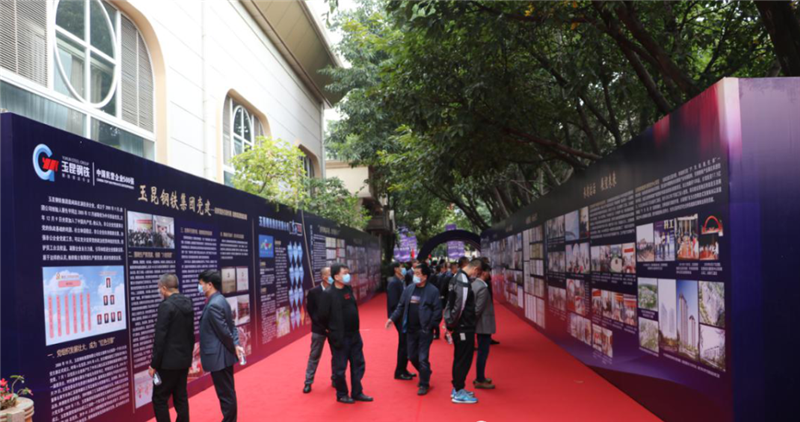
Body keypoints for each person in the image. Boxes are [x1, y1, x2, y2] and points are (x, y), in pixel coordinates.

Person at [385, 264, 442, 395]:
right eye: (414, 273)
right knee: (411, 356)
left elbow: (437, 311)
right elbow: (400, 306)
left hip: (424, 330)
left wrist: (431, 326)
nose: (414, 276)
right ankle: (425, 372)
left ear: (425, 276)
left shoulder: (433, 291)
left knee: (422, 358)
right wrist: (392, 319)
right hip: (410, 330)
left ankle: (424, 383)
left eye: (417, 274)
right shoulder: (409, 288)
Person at [198, 270, 244, 422]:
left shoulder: (213, 305)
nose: (200, 287)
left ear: (210, 285)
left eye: (201, 284)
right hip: (223, 355)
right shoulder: (220, 300)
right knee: (227, 392)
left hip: (220, 357)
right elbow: (231, 326)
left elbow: (225, 332)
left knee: (225, 394)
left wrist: (234, 346)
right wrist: (235, 344)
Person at [325, 263, 373, 404]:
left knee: (358, 364)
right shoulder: (328, 294)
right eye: (345, 273)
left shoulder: (348, 289)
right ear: (336, 277)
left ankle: (357, 392)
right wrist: (332, 332)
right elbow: (322, 316)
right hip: (340, 337)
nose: (348, 275)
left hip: (355, 335)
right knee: (340, 368)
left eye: (348, 272)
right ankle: (342, 394)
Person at [150, 273, 194, 422]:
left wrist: (154, 364)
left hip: (167, 364)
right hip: (183, 361)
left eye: (159, 288)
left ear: (163, 288)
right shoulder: (188, 302)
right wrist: (188, 358)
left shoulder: (166, 306)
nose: (159, 291)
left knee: (159, 399)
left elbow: (160, 338)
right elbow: (191, 334)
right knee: (181, 397)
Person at [444, 259, 480, 404]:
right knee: (463, 359)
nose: (476, 276)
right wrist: (452, 323)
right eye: (478, 273)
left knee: (460, 358)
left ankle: (457, 388)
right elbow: (460, 306)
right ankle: (459, 391)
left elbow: (450, 302)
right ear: (475, 269)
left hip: (461, 325)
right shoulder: (463, 280)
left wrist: (449, 321)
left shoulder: (456, 277)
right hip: (463, 326)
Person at [303, 267, 334, 393]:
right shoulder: (313, 292)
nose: (332, 275)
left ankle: (336, 379)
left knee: (336, 356)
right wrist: (323, 327)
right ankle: (308, 382)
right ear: (323, 277)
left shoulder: (336, 290)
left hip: (334, 329)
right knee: (314, 356)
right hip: (318, 329)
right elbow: (311, 312)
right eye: (330, 274)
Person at [387, 263, 415, 381]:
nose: (403, 269)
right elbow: (394, 303)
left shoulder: (401, 281)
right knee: (404, 345)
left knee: (405, 344)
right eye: (401, 267)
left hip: (403, 317)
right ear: (396, 269)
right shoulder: (393, 283)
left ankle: (403, 369)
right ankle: (399, 371)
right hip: (400, 318)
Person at [472, 262, 496, 390]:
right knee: (483, 353)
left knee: (482, 352)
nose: (489, 274)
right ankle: (480, 379)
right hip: (483, 325)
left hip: (480, 324)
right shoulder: (482, 288)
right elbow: (477, 310)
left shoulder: (474, 284)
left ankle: (480, 377)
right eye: (488, 272)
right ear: (484, 272)